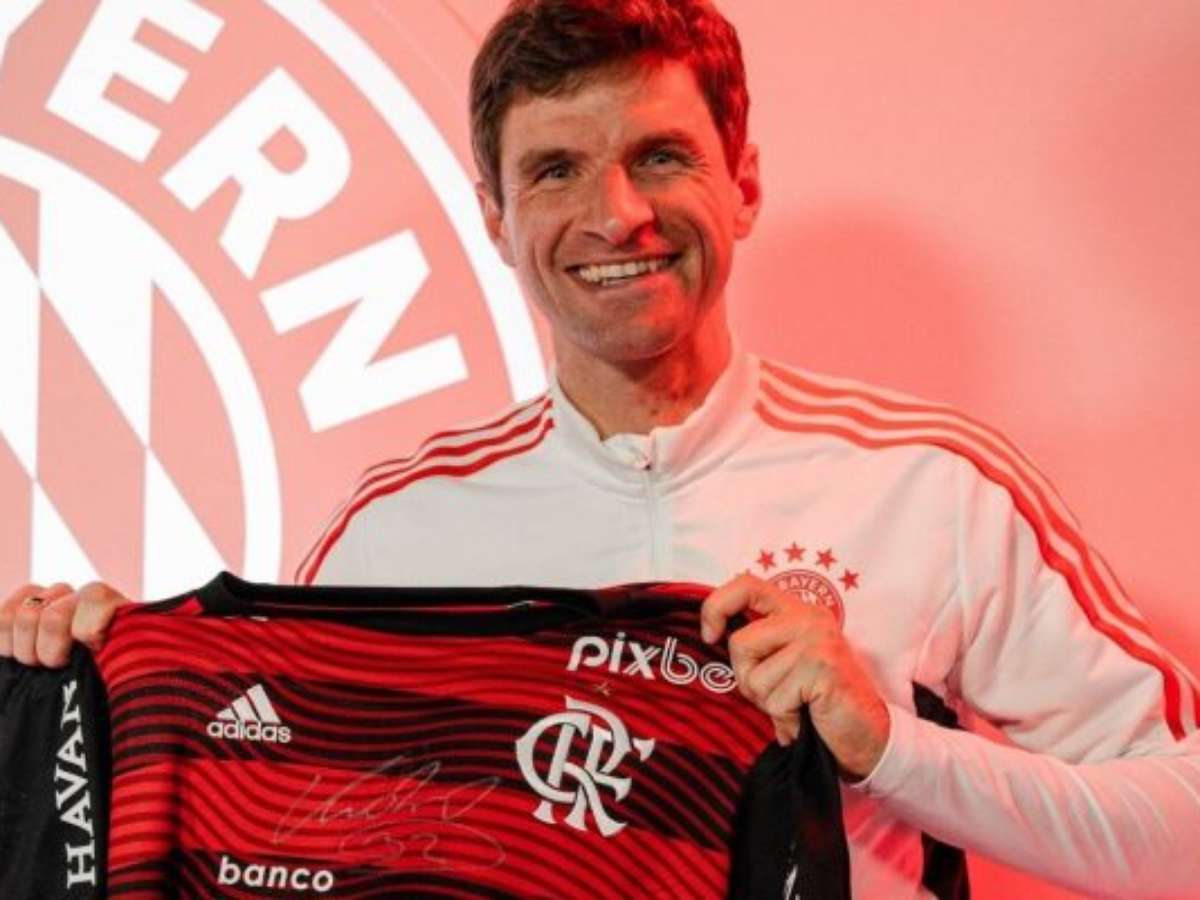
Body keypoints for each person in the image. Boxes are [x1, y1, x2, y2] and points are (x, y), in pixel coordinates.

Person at [2, 0, 1198, 896]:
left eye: (660, 157)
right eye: (556, 171)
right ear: (496, 218)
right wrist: (90, 688)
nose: (617, 215)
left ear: (745, 185)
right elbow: (281, 825)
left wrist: (892, 749)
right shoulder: (396, 530)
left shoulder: (931, 484)